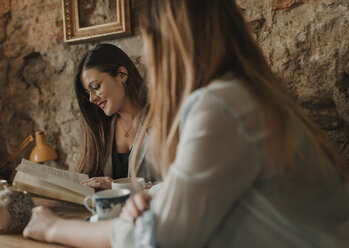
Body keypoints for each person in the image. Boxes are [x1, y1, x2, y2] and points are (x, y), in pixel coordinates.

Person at [23, 1, 349, 247]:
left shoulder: (220, 106)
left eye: (150, 42)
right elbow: (214, 182)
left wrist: (53, 228)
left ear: (169, 41)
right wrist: (162, 194)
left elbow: (161, 237)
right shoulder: (248, 94)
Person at [73, 43, 161, 189]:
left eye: (95, 87)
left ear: (122, 75)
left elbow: (182, 185)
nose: (92, 98)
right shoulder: (101, 128)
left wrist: (118, 187)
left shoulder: (164, 120)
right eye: (87, 93)